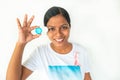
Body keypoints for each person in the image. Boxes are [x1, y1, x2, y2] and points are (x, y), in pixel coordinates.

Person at [6, 6, 92, 80]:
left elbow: (87, 78)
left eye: (64, 27)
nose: (58, 34)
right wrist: (21, 44)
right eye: (52, 28)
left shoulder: (81, 51)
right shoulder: (40, 53)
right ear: (46, 31)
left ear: (70, 27)